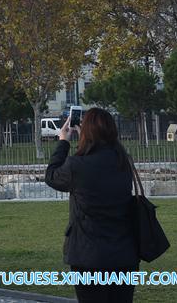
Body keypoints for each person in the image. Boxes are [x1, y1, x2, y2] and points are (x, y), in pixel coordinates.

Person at [44, 108, 139, 303]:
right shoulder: (123, 161)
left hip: (88, 256)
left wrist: (63, 141)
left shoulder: (77, 165)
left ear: (85, 132)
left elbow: (52, 176)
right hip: (124, 253)